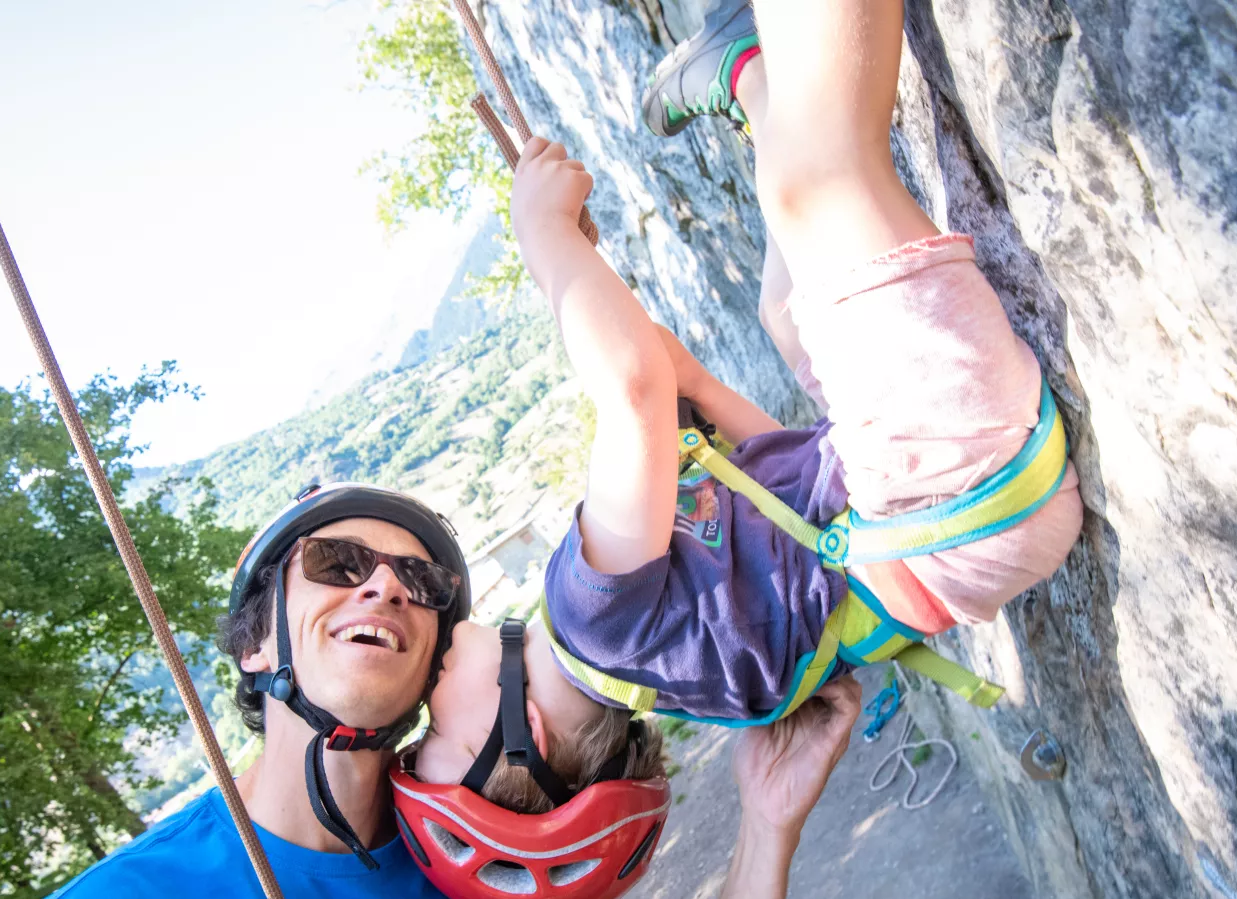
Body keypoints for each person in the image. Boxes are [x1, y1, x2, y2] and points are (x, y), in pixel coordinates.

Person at [412, 0, 1084, 805]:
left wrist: (695, 386)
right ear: (524, 738)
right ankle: (797, 50)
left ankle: (753, 75)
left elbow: (787, 510)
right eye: (436, 737)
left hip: (951, 530)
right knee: (819, 179)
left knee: (783, 308)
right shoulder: (587, 621)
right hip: (943, 478)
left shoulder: (674, 679)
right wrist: (543, 233)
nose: (423, 705)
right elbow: (630, 387)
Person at [0, 481, 863, 899]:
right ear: (257, 646)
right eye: (336, 565)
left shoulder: (476, 873)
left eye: (421, 581)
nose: (385, 589)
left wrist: (769, 825)